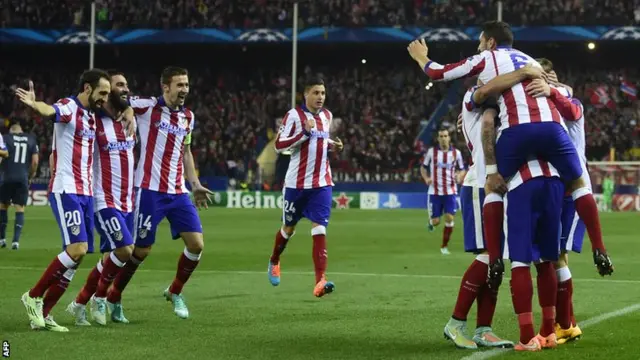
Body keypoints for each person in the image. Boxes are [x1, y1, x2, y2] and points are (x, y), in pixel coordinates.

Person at [407, 20, 612, 277]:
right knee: (578, 189)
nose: (479, 47)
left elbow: (437, 73)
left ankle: (495, 260)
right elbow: (566, 93)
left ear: (490, 42)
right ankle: (600, 247)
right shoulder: (531, 62)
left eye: (481, 42)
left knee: (493, 187)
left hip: (518, 137)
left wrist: (422, 58)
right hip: (552, 138)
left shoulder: (486, 59)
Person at [16, 70, 122, 331]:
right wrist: (34, 104)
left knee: (77, 255)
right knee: (76, 249)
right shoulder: (69, 106)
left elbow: (120, 109)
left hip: (85, 192)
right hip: (67, 190)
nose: (105, 98)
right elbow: (49, 110)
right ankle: (33, 295)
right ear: (87, 88)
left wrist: (128, 112)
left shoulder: (92, 117)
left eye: (108, 94)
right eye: (102, 93)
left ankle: (46, 313)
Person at [105, 66, 213, 320]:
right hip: (149, 190)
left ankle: (175, 291)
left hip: (177, 191)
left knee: (196, 245)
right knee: (140, 251)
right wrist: (128, 109)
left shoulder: (188, 116)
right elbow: (117, 99)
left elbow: (185, 152)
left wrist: (195, 184)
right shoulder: (147, 106)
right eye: (180, 85)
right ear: (166, 87)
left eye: (186, 85)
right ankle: (114, 296)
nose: (185, 90)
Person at [67, 70, 136, 326]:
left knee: (113, 258)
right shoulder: (93, 121)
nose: (124, 89)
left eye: (126, 84)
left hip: (128, 200)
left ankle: (79, 303)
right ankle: (99, 297)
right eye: (119, 85)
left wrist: (129, 111)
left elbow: (144, 102)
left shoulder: (131, 116)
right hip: (103, 199)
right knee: (125, 250)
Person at [267, 77, 343, 297]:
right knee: (288, 229)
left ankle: (320, 281)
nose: (320, 97)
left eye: (323, 93)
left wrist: (333, 146)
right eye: (316, 93)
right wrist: (304, 133)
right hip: (296, 185)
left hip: (321, 184)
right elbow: (279, 145)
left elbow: (321, 142)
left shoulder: (327, 116)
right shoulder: (294, 116)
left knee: (319, 228)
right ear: (306, 95)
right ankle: (274, 260)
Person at [421, 128, 465, 255]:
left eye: (446, 136)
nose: (444, 138)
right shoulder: (431, 152)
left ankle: (444, 246)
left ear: (449, 138)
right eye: (441, 136)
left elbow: (462, 169)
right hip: (434, 192)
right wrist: (426, 178)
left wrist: (459, 176)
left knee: (450, 217)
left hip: (450, 191)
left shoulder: (456, 153)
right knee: (436, 221)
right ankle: (431, 222)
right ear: (438, 138)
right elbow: (423, 168)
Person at [0, 119, 37, 250]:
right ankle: (15, 242)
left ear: (11, 130)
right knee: (19, 208)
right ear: (20, 129)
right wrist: (30, 176)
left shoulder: (5, 138)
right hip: (22, 178)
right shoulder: (31, 139)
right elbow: (34, 162)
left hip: (6, 177)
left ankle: (2, 239)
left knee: (3, 207)